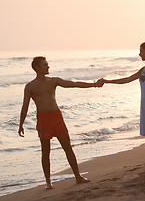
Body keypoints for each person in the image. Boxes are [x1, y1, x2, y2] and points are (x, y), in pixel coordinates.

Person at [19, 56, 104, 189]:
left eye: (47, 64)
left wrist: (94, 84)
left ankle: (78, 177)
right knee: (45, 151)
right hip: (43, 120)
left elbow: (73, 84)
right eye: (45, 65)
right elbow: (25, 106)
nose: (48, 67)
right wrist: (21, 124)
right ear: (37, 68)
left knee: (67, 147)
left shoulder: (53, 81)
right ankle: (48, 182)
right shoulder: (30, 86)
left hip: (56, 117)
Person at [103, 42, 145, 173]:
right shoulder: (143, 70)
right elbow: (127, 79)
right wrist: (108, 81)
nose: (139, 54)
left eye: (142, 51)